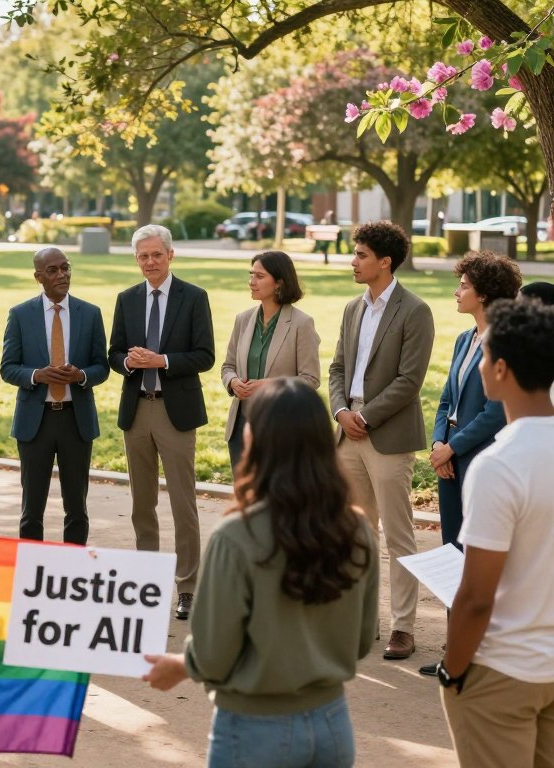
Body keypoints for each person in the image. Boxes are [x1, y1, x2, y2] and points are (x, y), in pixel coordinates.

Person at [143, 378, 378, 768]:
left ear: (258, 441)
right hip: (333, 725)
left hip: (255, 730)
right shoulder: (358, 530)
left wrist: (183, 666)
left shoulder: (237, 536)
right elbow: (361, 641)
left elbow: (213, 655)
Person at [438, 300, 554, 768]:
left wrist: (452, 669)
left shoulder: (498, 465)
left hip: (503, 670)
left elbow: (476, 597)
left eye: (485, 357)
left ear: (501, 369)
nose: (480, 364)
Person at [328, 220, 434, 661]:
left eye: (360, 255)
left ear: (384, 262)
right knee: (357, 533)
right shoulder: (353, 308)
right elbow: (336, 369)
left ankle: (403, 628)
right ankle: (362, 622)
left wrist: (366, 417)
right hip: (347, 432)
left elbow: (410, 380)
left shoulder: (415, 311)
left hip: (387, 435)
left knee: (398, 535)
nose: (353, 261)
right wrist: (341, 412)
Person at [418, 252, 521, 678]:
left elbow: (496, 411)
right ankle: (453, 648)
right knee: (451, 554)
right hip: (452, 455)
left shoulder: (507, 342)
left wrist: (454, 447)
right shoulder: (464, 339)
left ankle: (482, 654)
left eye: (463, 285)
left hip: (479, 457)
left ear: (484, 293)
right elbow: (446, 399)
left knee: (481, 553)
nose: (456, 291)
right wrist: (440, 441)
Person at [109, 224, 214, 619]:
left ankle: (187, 587)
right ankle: (145, 582)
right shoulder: (127, 299)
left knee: (183, 503)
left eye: (156, 254)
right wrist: (127, 362)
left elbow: (204, 355)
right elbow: (113, 352)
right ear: (135, 259)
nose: (150, 262)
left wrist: (163, 361)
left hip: (176, 410)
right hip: (137, 408)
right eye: (143, 256)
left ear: (171, 255)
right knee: (141, 502)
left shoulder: (194, 297)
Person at [0, 247, 109, 544]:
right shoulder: (21, 315)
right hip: (36, 422)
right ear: (38, 277)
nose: (62, 274)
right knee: (31, 509)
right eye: (52, 270)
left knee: (77, 508)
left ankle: (72, 575)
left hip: (77, 420)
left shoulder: (90, 313)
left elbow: (102, 366)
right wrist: (38, 375)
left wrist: (82, 376)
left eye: (66, 267)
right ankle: (31, 576)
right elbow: (8, 368)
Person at [220, 250, 320, 470]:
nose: (251, 282)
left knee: (278, 499)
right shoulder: (243, 319)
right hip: (241, 426)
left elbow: (310, 379)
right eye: (251, 274)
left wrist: (267, 386)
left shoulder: (301, 324)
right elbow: (228, 366)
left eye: (259, 276)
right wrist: (233, 382)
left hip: (281, 428)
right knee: (246, 498)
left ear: (279, 283)